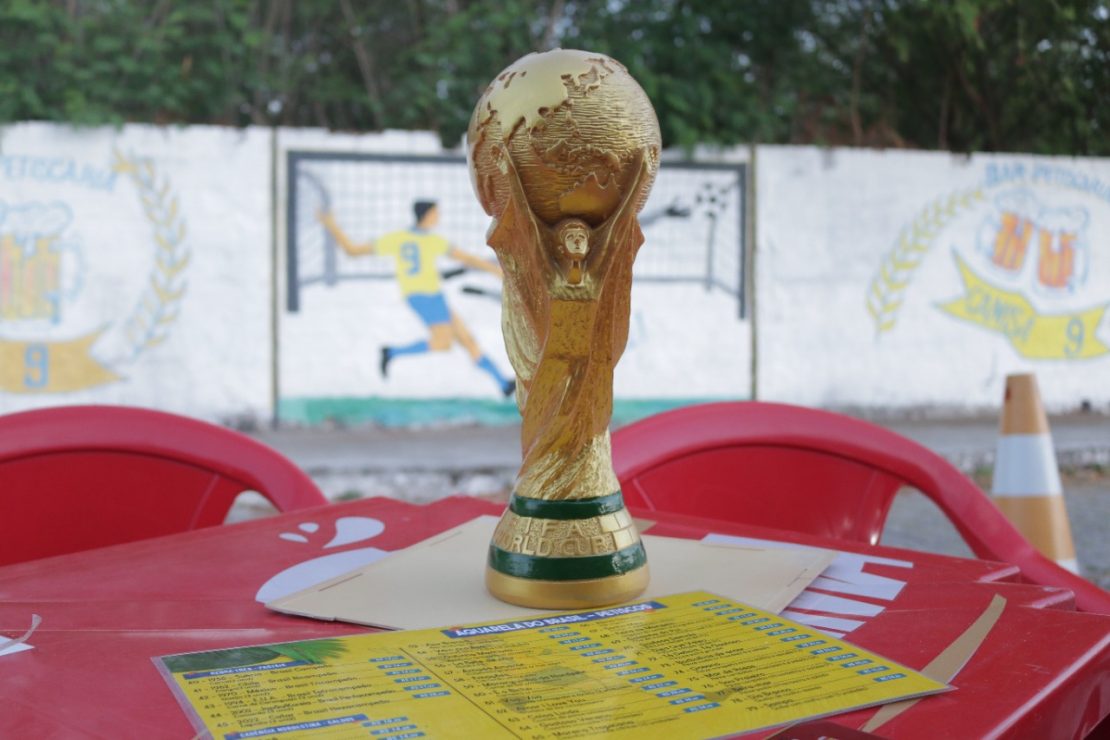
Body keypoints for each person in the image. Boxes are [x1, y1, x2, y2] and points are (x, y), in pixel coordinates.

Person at [318, 200, 515, 397]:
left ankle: (503, 384)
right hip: (422, 297)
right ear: (427, 215)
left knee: (468, 340)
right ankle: (392, 352)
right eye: (436, 213)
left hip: (434, 296)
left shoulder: (407, 239)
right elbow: (468, 259)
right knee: (442, 343)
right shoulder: (424, 240)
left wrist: (331, 224)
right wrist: (494, 270)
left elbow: (351, 251)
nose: (438, 217)